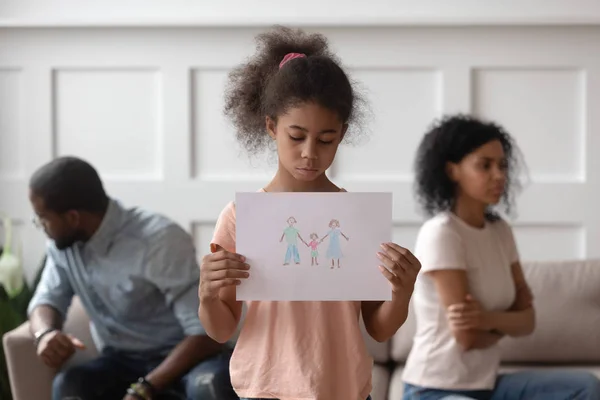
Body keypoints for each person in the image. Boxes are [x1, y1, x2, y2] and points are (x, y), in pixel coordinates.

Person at [198, 26, 421, 400]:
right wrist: (206, 294)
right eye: (296, 136)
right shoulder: (241, 217)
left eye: (326, 139)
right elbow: (221, 329)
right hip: (266, 389)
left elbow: (379, 329)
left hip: (344, 389)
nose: (309, 153)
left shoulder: (356, 215)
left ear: (343, 134)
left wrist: (402, 291)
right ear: (271, 126)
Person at [402, 114, 600, 400]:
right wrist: (507, 322)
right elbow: (468, 338)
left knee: (586, 386)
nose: (499, 175)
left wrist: (485, 319)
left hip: (487, 386)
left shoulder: (500, 231)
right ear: (452, 170)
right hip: (433, 389)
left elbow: (529, 321)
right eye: (485, 165)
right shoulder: (442, 234)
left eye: (502, 165)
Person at [27, 156, 238, 400]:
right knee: (70, 386)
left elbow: (206, 334)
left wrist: (145, 389)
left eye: (42, 218)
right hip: (121, 361)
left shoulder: (158, 240)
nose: (40, 225)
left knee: (210, 386)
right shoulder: (63, 245)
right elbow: (47, 299)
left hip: (187, 359)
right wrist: (45, 333)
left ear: (73, 218)